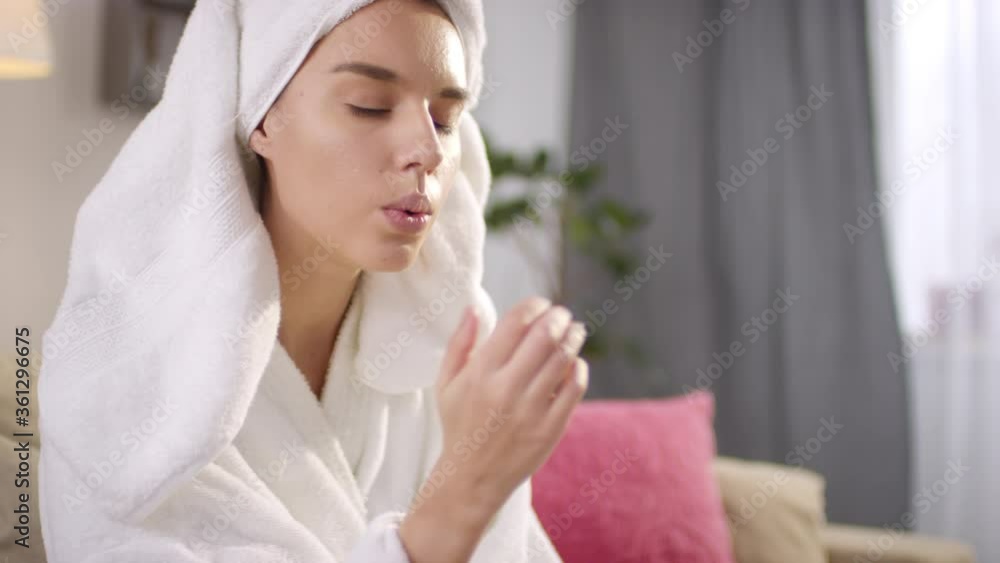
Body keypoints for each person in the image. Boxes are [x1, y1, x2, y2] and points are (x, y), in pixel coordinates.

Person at [37, 1, 589, 561]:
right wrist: (463, 493)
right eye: (369, 106)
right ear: (262, 118)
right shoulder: (127, 384)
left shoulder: (444, 358)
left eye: (446, 119)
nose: (427, 150)